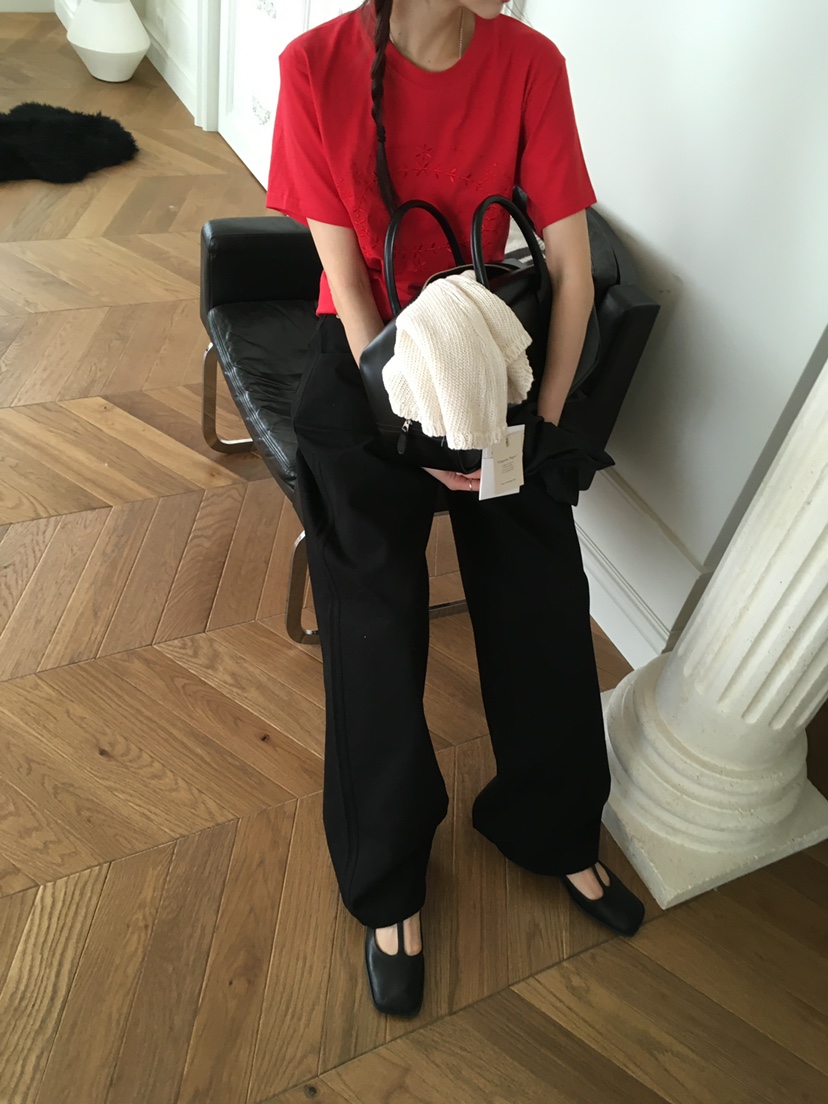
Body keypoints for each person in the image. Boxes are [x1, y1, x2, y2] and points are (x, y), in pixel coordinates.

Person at [266, 0, 644, 1018]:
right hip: (371, 372)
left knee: (544, 591)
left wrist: (535, 431)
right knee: (372, 618)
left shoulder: (529, 62)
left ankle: (554, 826)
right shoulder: (313, 67)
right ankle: (388, 878)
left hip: (495, 359)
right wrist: (416, 437)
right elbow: (350, 292)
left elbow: (569, 272)